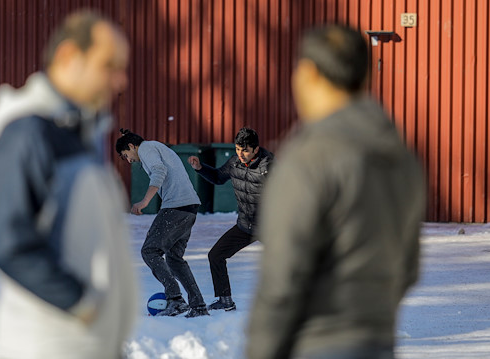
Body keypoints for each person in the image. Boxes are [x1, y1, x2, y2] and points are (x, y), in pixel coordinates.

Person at [246, 25, 425, 359]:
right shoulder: (400, 157)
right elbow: (409, 266)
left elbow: (281, 280)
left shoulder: (309, 157)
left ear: (309, 73)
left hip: (315, 344)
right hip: (377, 341)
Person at [0, 11, 137, 358]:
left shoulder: (74, 133)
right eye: (109, 65)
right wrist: (82, 303)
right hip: (50, 346)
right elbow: (11, 245)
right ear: (68, 56)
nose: (121, 80)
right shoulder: (26, 134)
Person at [116, 129, 209, 318]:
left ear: (132, 146)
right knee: (174, 259)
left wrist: (144, 201)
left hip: (176, 207)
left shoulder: (147, 148)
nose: (128, 160)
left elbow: (159, 171)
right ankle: (198, 305)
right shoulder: (157, 147)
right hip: (189, 207)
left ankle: (175, 300)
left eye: (126, 155)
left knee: (150, 251)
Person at [187, 127, 273, 311]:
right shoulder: (234, 163)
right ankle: (225, 300)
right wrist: (200, 168)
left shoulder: (269, 167)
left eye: (246, 150)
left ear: (256, 150)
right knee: (216, 255)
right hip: (246, 225)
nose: (241, 154)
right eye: (238, 149)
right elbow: (218, 177)